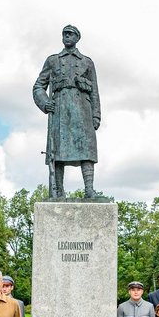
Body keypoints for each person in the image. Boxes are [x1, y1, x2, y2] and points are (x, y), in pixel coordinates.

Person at [33, 24, 101, 198]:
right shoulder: (52, 60)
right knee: (58, 152)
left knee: (87, 149)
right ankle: (58, 190)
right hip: (60, 110)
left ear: (77, 38)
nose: (67, 37)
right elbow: (39, 86)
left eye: (70, 34)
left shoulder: (87, 62)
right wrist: (45, 102)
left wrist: (96, 115)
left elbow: (95, 92)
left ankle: (89, 189)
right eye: (64, 34)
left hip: (82, 110)